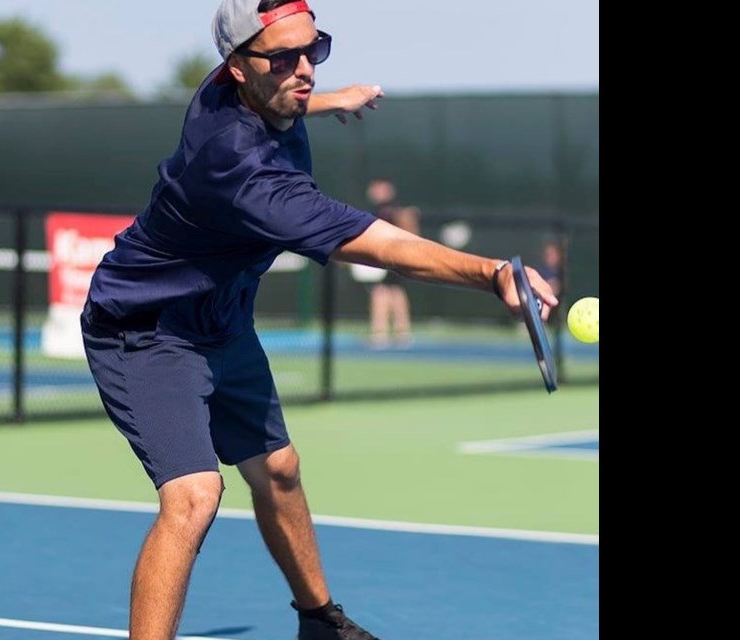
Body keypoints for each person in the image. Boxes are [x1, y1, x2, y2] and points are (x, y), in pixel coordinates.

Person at [80, 1, 558, 638]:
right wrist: (492, 272)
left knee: (279, 469)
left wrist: (333, 99)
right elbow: (384, 245)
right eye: (283, 58)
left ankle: (319, 622)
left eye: (316, 49)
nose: (303, 69)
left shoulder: (251, 88)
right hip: (145, 329)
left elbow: (288, 89)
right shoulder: (240, 171)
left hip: (221, 321)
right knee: (194, 495)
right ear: (235, 68)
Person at [363, 178, 420, 347]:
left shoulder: (397, 212)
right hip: (384, 256)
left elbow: (411, 231)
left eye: (379, 188)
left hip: (394, 256)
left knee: (386, 292)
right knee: (387, 291)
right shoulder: (377, 211)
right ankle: (390, 332)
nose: (375, 192)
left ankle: (386, 333)